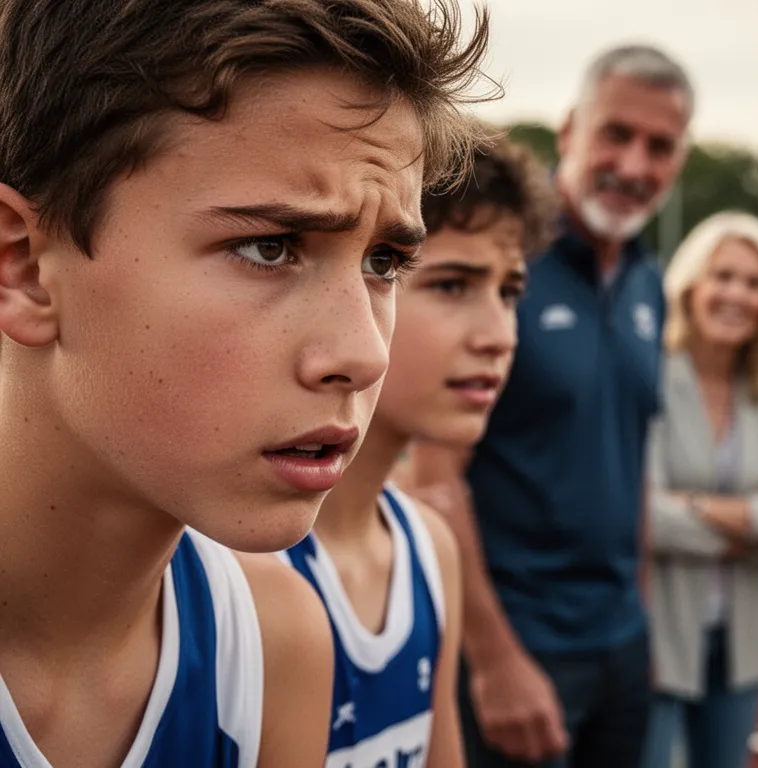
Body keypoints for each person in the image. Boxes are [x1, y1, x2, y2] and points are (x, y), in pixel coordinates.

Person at [0, 1, 490, 765]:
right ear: (25, 268)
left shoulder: (273, 641)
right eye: (269, 248)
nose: (363, 353)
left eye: (384, 263)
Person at [411, 45, 695, 768]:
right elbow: (436, 477)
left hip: (621, 644)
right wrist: (493, 658)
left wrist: (640, 621)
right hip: (522, 644)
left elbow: (628, 460)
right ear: (569, 131)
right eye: (616, 134)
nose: (634, 165)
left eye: (659, 147)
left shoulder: (647, 282)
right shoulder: (500, 262)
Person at [278, 129, 557, 768]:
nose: (499, 335)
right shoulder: (225, 559)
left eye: (509, 292)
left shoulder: (430, 550)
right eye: (453, 285)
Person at [640, 212, 758, 768]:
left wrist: (692, 507)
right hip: (656, 630)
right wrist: (749, 520)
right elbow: (645, 517)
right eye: (724, 276)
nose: (737, 294)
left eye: (755, 283)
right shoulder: (652, 375)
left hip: (742, 638)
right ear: (692, 285)